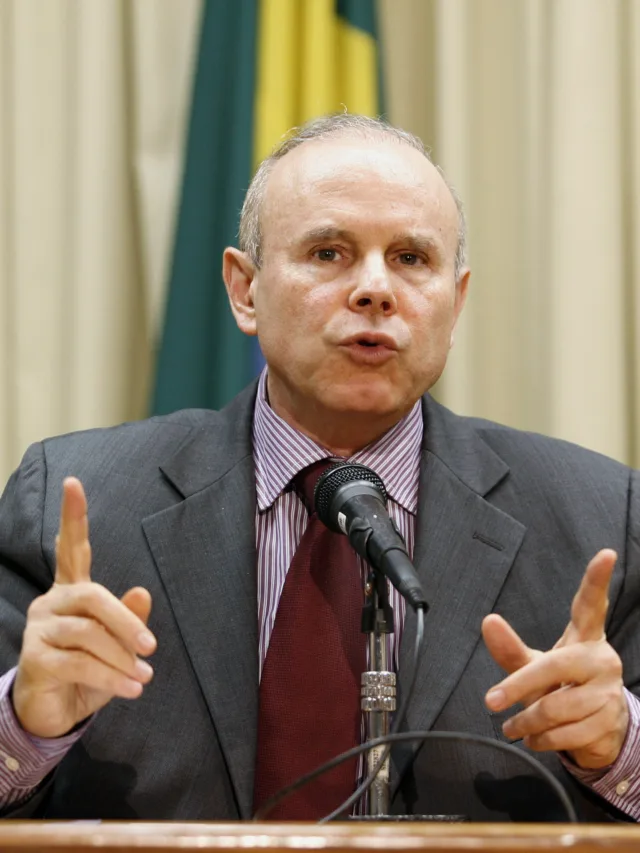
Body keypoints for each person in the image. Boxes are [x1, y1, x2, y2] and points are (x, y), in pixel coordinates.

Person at [0, 114, 638, 822]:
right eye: (329, 252)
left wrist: (619, 748)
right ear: (245, 290)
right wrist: (26, 727)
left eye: (411, 258)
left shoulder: (597, 517)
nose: (374, 289)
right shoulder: (73, 508)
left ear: (454, 305)